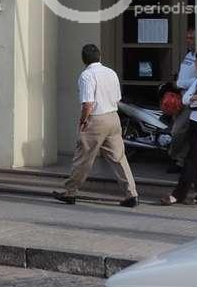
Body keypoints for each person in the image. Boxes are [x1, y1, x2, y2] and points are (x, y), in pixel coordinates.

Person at [52, 44, 138, 207]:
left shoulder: (86, 75)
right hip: (113, 117)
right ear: (100, 56)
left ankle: (70, 192)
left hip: (96, 120)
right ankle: (131, 194)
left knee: (83, 158)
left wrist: (83, 121)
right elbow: (117, 98)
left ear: (83, 59)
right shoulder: (111, 73)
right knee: (119, 158)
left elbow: (88, 103)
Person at [161, 48, 197, 206]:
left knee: (191, 160)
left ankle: (178, 195)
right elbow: (185, 100)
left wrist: (194, 99)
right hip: (194, 122)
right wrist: (194, 98)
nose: (195, 63)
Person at [166, 25, 197, 173]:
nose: (188, 40)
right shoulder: (189, 55)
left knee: (177, 131)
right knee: (183, 131)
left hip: (190, 98)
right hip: (180, 96)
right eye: (187, 38)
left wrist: (179, 83)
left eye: (191, 38)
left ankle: (172, 155)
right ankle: (180, 162)